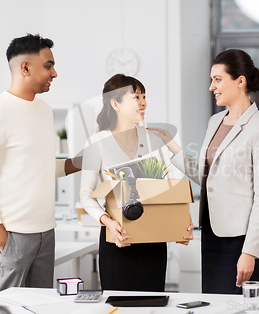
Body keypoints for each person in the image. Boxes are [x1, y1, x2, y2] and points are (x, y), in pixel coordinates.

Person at [149, 49, 259, 294]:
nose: (212, 86)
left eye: (218, 79)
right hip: (211, 234)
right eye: (212, 80)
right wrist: (171, 144)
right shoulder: (215, 121)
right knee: (214, 305)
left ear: (240, 81)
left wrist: (250, 251)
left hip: (241, 240)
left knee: (243, 309)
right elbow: (207, 177)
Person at [0, 34, 80, 294]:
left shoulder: (44, 110)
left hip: (46, 233)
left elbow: (42, 167)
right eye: (48, 66)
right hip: (12, 234)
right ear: (25, 68)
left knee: (38, 308)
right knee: (2, 310)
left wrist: (80, 162)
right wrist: (1, 237)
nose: (55, 73)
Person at [79, 74, 193, 292]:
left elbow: (172, 185)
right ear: (115, 103)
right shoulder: (96, 142)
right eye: (136, 96)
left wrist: (180, 220)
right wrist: (107, 222)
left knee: (152, 305)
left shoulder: (154, 139)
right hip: (118, 238)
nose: (143, 102)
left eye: (144, 96)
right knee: (118, 305)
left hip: (154, 239)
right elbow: (86, 194)